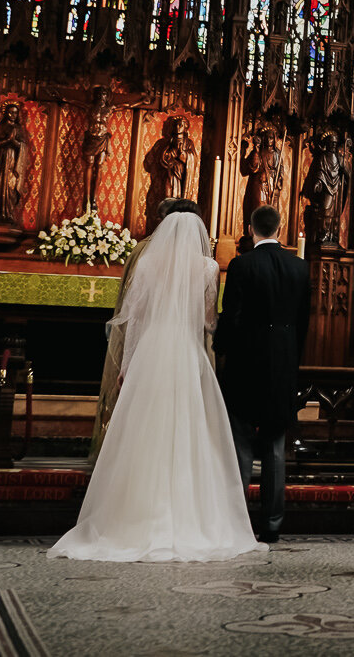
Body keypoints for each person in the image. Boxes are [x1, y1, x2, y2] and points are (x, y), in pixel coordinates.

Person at [51, 205, 262, 563]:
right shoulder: (208, 268)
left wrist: (128, 365)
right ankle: (187, 515)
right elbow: (209, 322)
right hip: (185, 351)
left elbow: (134, 320)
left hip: (150, 351)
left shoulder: (147, 263)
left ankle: (132, 516)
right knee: (189, 429)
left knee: (144, 430)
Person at [214, 203, 310, 542]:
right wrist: (291, 358)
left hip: (245, 363)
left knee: (240, 442)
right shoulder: (300, 267)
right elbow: (304, 322)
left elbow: (232, 314)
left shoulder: (243, 264)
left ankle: (238, 522)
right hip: (282, 363)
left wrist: (220, 350)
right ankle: (272, 525)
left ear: (251, 229)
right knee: (274, 445)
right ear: (279, 228)